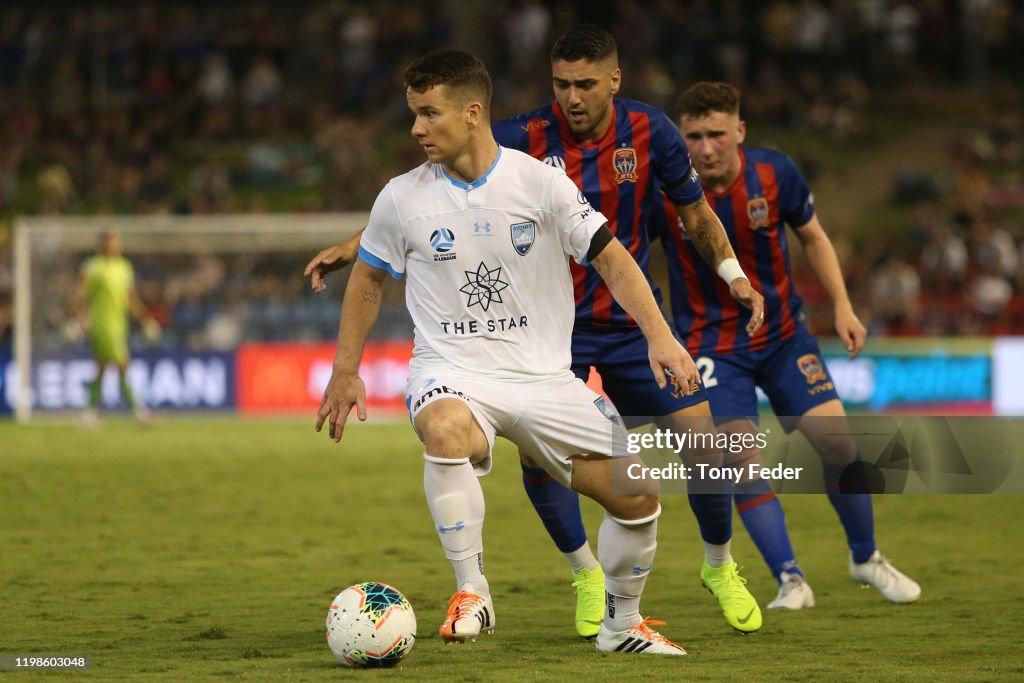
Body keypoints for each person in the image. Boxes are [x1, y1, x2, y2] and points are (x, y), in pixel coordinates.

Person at [306, 25, 767, 637]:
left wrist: (662, 333)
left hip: (557, 366)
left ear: (472, 114)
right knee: (446, 432)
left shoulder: (546, 178)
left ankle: (638, 617)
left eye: (428, 114)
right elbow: (373, 271)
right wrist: (345, 367)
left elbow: (614, 254)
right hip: (457, 371)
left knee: (643, 492)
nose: (416, 128)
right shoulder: (403, 195)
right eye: (413, 113)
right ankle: (483, 590)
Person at [649, 81, 921, 608]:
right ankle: (790, 579)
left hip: (782, 336)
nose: (705, 148)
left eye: (716, 135)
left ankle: (865, 558)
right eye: (694, 136)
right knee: (740, 460)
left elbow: (814, 236)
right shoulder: (665, 193)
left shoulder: (775, 173)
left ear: (739, 132)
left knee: (839, 444)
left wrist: (841, 305)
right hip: (712, 347)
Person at [72, 230, 160, 425]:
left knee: (102, 367)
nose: (114, 246)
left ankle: (87, 413)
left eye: (116, 242)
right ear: (103, 245)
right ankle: (140, 412)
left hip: (120, 324)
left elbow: (130, 298)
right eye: (110, 242)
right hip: (101, 324)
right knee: (122, 364)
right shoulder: (92, 267)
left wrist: (146, 320)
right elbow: (80, 295)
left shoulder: (124, 267)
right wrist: (75, 319)